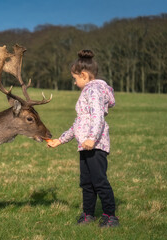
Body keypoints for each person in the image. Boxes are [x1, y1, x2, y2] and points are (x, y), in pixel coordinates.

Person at [47, 49, 119, 227]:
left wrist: (92, 139)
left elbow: (97, 118)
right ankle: (88, 214)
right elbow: (78, 123)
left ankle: (110, 216)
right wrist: (61, 140)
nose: (74, 82)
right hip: (85, 145)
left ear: (84, 75)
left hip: (95, 145)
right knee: (86, 182)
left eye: (75, 78)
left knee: (99, 181)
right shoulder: (88, 91)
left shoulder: (93, 91)